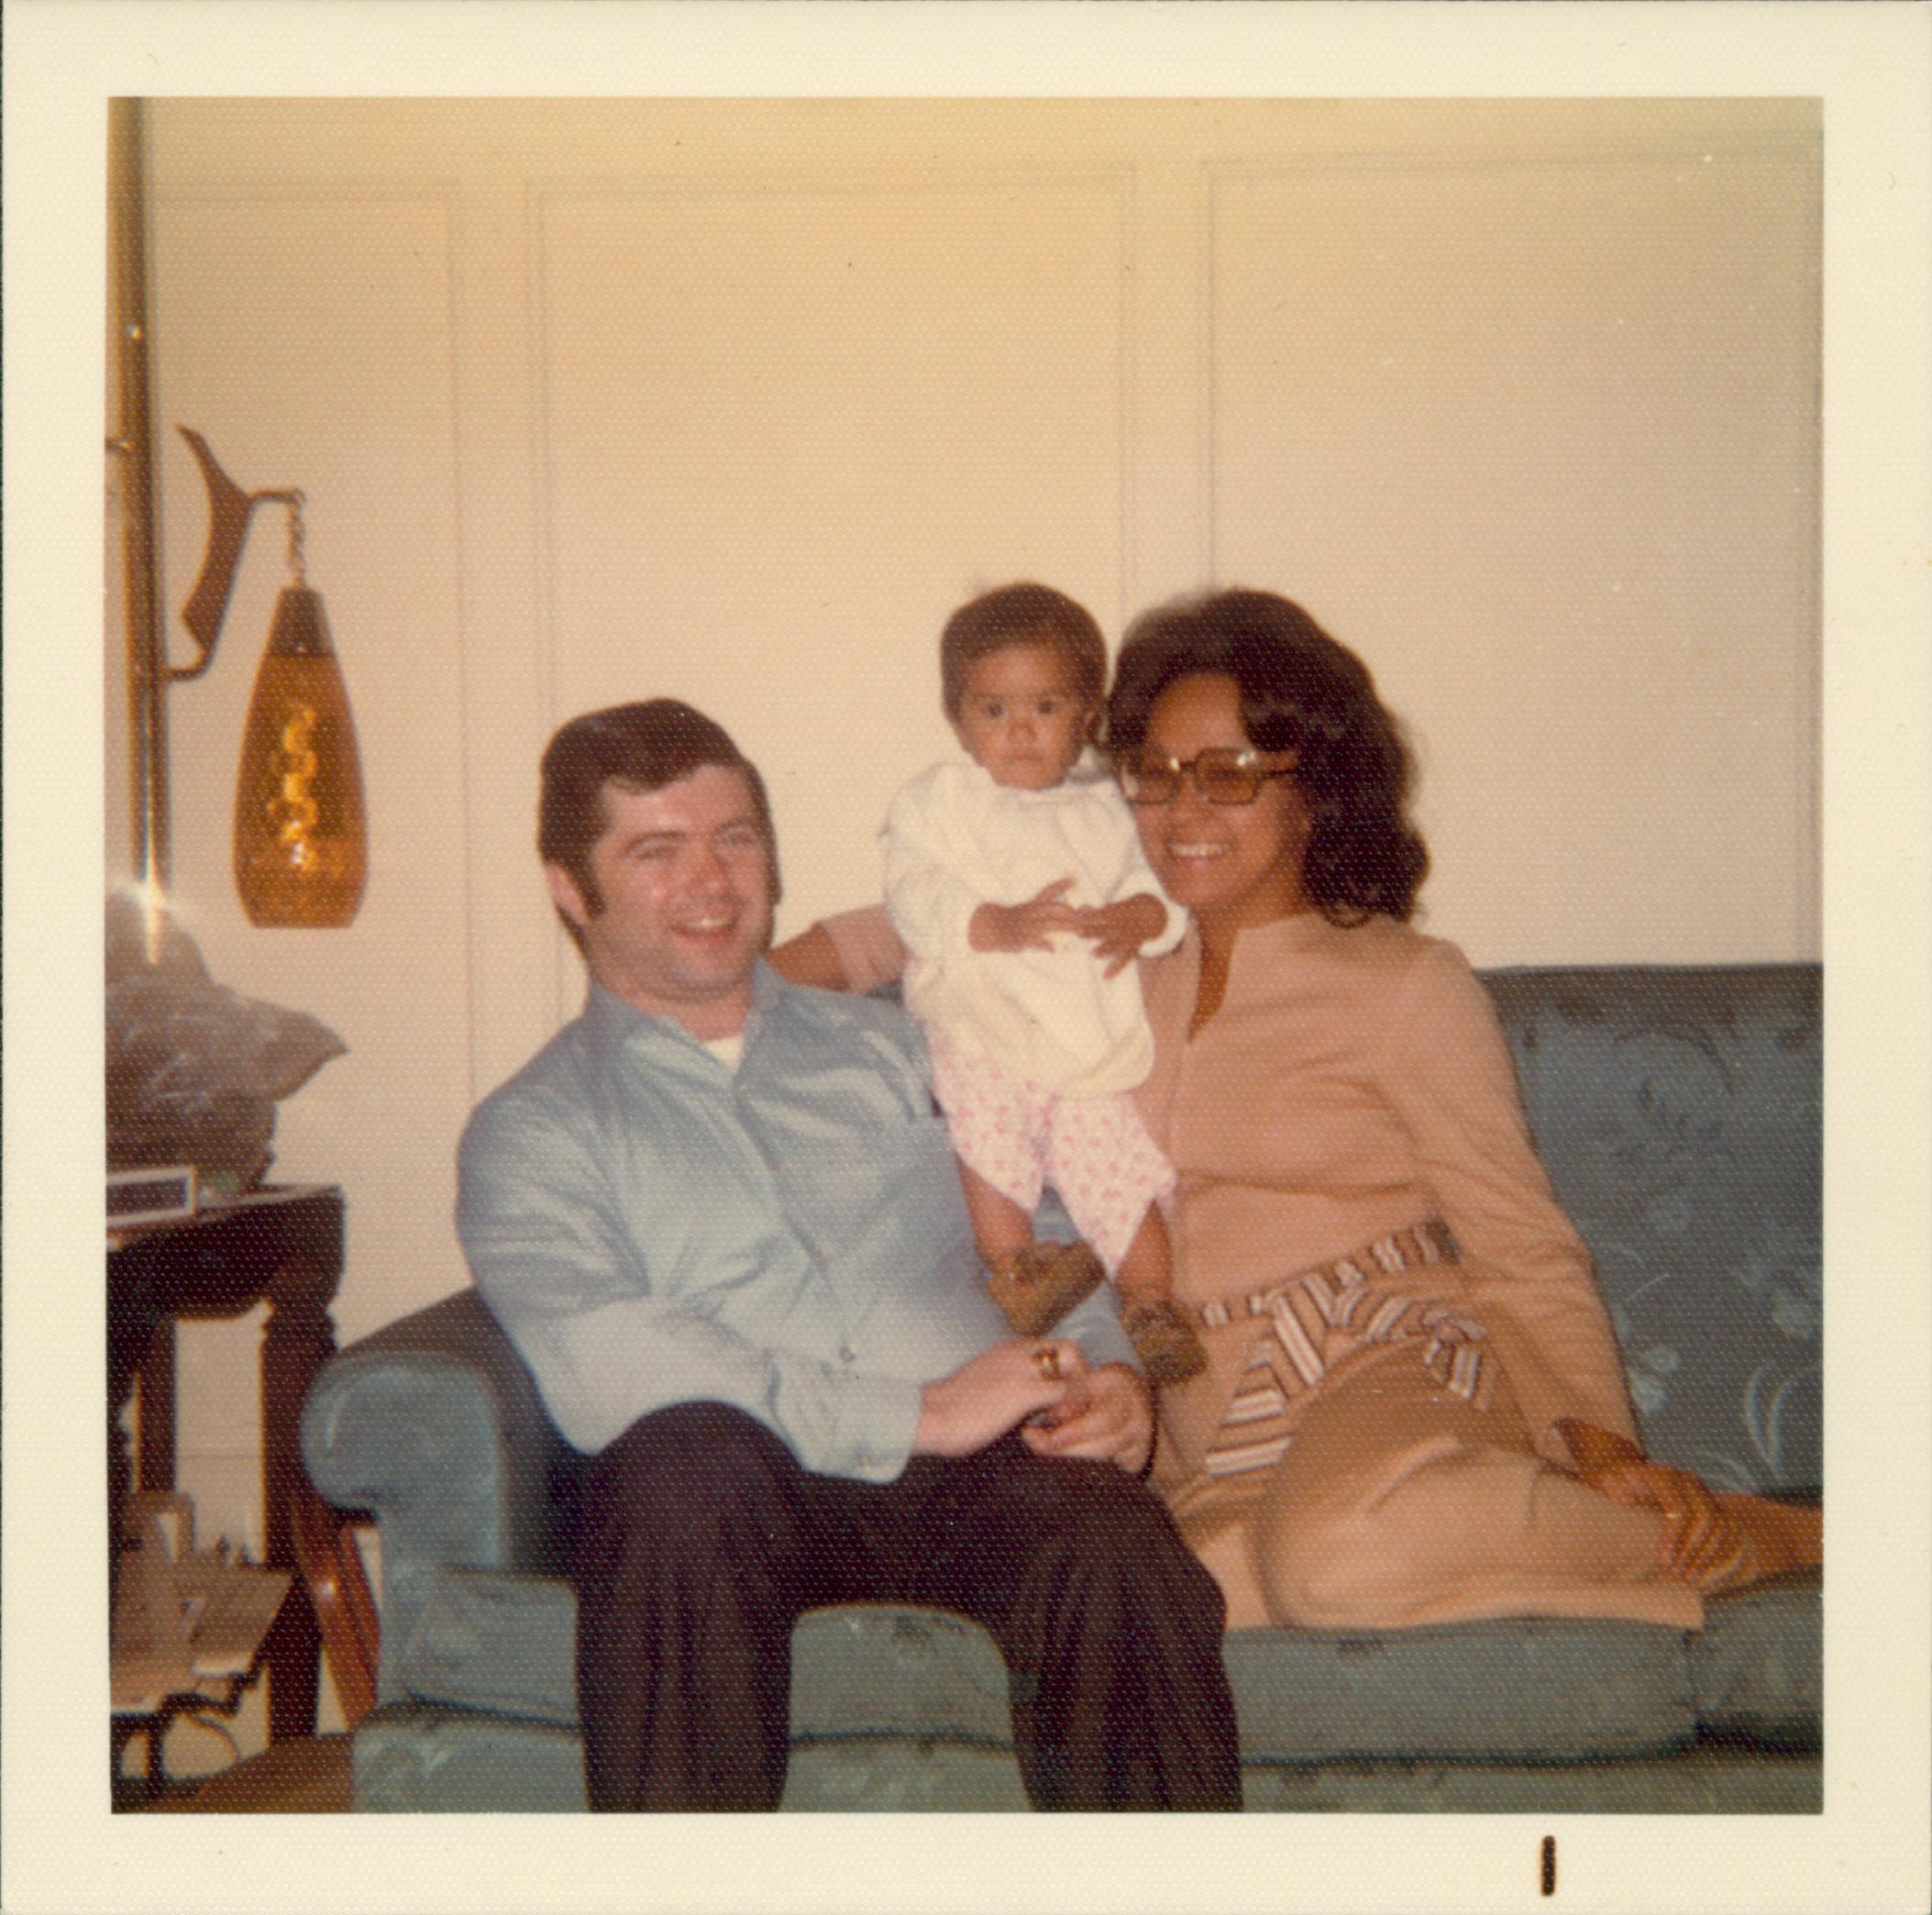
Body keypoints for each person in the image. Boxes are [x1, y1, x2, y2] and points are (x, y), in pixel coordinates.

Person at [776, 591, 1822, 1633]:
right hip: (1209, 1426)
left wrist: (1601, 1442)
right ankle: (1422, 1545)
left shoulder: (1402, 982)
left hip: (1385, 1368)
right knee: (1165, 1612)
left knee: (1335, 1555)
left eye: (1229, 773)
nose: (1183, 811)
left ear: (1313, 791)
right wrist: (718, 986)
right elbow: (896, 930)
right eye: (1157, 773)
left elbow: (1519, 1242)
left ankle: (1745, 1540)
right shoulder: (1106, 960)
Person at [456, 698, 1241, 1811]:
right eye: (656, 853)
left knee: (1109, 1535)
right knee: (673, 1466)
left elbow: (1052, 1224)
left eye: (735, 839)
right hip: (744, 1495)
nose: (712, 881)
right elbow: (607, 1362)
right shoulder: (536, 1127)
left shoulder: (909, 1044)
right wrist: (918, 1413)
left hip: (983, 1478)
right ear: (569, 890)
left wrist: (1108, 1370)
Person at [881, 583, 1204, 1383]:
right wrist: (985, 922)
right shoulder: (940, 801)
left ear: (1086, 717)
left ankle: (1152, 1304)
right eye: (993, 710)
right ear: (958, 719)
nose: (1019, 730)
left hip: (1081, 1034)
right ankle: (1016, 1268)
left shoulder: (1108, 814)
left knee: (1114, 1165)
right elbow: (911, 889)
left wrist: (1140, 914)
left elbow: (1157, 883)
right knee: (988, 1139)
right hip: (982, 1019)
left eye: (1045, 707)